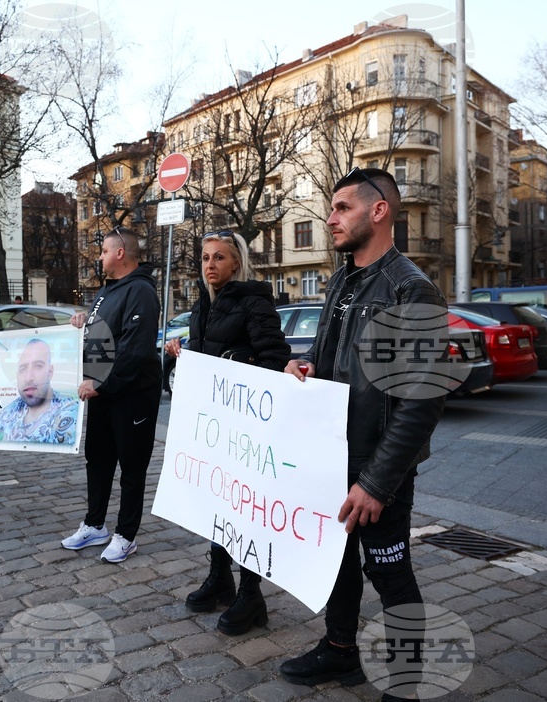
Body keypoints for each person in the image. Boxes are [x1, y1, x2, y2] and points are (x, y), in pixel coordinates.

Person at [279, 168, 447, 701]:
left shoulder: (412, 290)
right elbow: (332, 357)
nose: (329, 218)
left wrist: (376, 483)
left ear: (379, 212)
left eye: (342, 207)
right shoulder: (344, 280)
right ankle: (340, 650)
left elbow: (422, 401)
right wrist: (304, 365)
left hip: (377, 469)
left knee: (391, 574)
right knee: (337, 562)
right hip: (333, 456)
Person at [164, 230, 290, 635]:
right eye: (204, 258)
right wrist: (185, 354)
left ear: (237, 263)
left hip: (246, 431)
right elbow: (208, 359)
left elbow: (275, 361)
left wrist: (239, 364)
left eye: (219, 257)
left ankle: (251, 595)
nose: (210, 265)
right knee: (217, 503)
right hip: (214, 427)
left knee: (245, 510)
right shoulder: (205, 304)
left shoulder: (254, 301)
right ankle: (220, 577)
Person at [62, 227, 161, 563]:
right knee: (99, 461)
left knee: (132, 467)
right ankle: (95, 525)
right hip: (102, 393)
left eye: (104, 251)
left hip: (131, 394)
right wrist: (83, 321)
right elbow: (103, 333)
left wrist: (101, 383)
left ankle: (126, 535)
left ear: (120, 253)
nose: (99, 257)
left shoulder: (141, 292)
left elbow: (135, 351)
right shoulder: (108, 291)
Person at [0, 338, 79, 444]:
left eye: (38, 366)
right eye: (22, 369)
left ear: (50, 372)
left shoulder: (68, 411)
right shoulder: (15, 407)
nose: (28, 378)